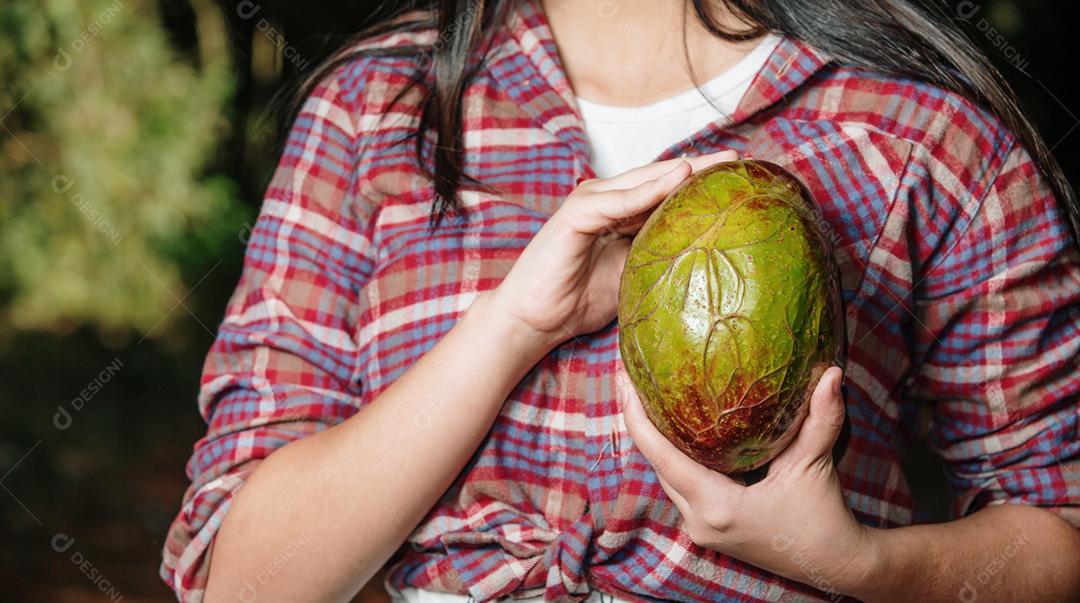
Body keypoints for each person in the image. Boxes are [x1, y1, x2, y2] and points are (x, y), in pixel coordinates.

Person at [161, 1, 1080, 601]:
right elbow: (240, 583)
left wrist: (858, 564)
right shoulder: (373, 110)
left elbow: (1058, 537)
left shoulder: (929, 132)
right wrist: (517, 325)